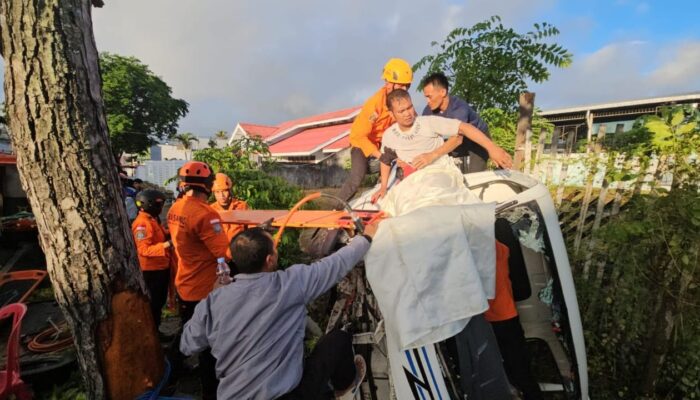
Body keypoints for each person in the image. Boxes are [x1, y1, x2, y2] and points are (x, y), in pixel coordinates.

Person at [180, 221, 381, 399]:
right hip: (287, 395)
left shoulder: (214, 301)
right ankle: (343, 387)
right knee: (339, 339)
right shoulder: (289, 285)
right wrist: (366, 237)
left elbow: (187, 344)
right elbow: (335, 264)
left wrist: (214, 295)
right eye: (274, 250)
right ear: (269, 260)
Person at [371, 89, 512, 203]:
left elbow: (464, 128)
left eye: (410, 107)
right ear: (391, 113)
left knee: (435, 198)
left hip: (439, 172)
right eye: (401, 111)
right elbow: (386, 160)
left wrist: (492, 148)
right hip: (413, 180)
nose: (408, 114)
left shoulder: (428, 122)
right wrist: (383, 187)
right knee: (399, 204)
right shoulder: (389, 135)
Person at [167, 160, 231, 399]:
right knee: (209, 346)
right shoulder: (206, 214)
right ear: (207, 185)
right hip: (203, 288)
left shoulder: (176, 209)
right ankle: (210, 392)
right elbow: (224, 252)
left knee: (187, 330)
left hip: (184, 281)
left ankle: (169, 371)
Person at [337, 58, 413, 202]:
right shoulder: (374, 104)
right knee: (357, 177)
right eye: (401, 86)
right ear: (388, 84)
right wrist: (381, 156)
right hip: (362, 143)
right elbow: (360, 136)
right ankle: (335, 209)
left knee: (402, 166)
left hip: (382, 144)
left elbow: (411, 122)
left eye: (406, 87)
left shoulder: (401, 103)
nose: (404, 91)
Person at [486, 242, 543, 400]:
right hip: (506, 316)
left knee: (513, 369)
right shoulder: (499, 248)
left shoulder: (484, 249)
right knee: (520, 369)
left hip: (495, 318)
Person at [421, 72, 492, 173]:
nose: (427, 101)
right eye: (425, 97)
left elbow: (457, 139)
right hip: (455, 141)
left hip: (477, 142)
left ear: (443, 92)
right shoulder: (428, 111)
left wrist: (432, 155)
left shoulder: (459, 108)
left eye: (429, 96)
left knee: (474, 175)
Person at [131, 189, 173, 328]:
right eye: (159, 204)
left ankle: (157, 330)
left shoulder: (152, 219)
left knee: (159, 301)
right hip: (152, 270)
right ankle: (154, 332)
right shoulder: (142, 224)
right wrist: (167, 245)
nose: (161, 208)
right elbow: (143, 249)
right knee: (154, 303)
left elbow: (161, 234)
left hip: (160, 267)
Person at [209, 172, 248, 242]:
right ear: (213, 193)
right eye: (217, 192)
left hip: (239, 248)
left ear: (229, 191)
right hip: (220, 249)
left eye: (224, 191)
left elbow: (251, 228)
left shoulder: (241, 206)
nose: (221, 195)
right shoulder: (210, 210)